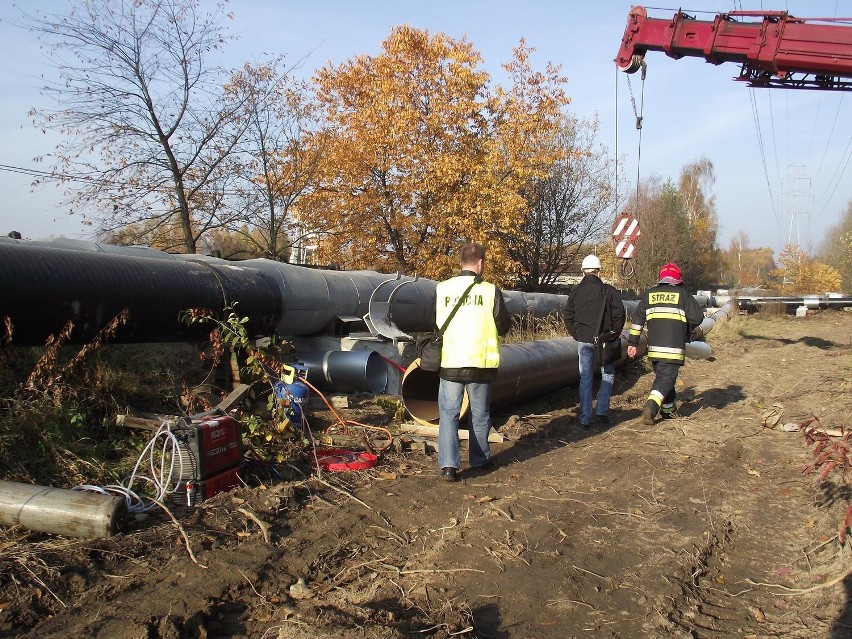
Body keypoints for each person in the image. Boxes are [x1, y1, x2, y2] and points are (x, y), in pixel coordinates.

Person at [436, 242, 510, 482]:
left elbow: (435, 322)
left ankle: (449, 466)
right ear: (480, 263)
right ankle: (480, 460)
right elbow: (503, 326)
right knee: (479, 414)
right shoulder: (490, 290)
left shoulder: (442, 288)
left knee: (448, 414)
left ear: (461, 263)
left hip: (451, 362)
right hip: (480, 363)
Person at [627, 262, 704, 425]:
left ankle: (668, 411)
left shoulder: (649, 295)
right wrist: (687, 327)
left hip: (654, 349)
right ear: (678, 280)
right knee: (666, 379)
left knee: (664, 377)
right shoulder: (682, 294)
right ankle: (651, 406)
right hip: (673, 347)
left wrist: (632, 343)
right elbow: (698, 318)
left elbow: (637, 321)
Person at [563, 254, 626, 428]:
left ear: (583, 271)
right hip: (605, 341)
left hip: (584, 340)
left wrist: (577, 334)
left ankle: (585, 417)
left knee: (586, 377)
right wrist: (614, 334)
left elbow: (568, 316)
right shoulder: (609, 291)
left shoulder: (575, 293)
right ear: (598, 271)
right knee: (608, 373)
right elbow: (619, 313)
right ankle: (602, 412)